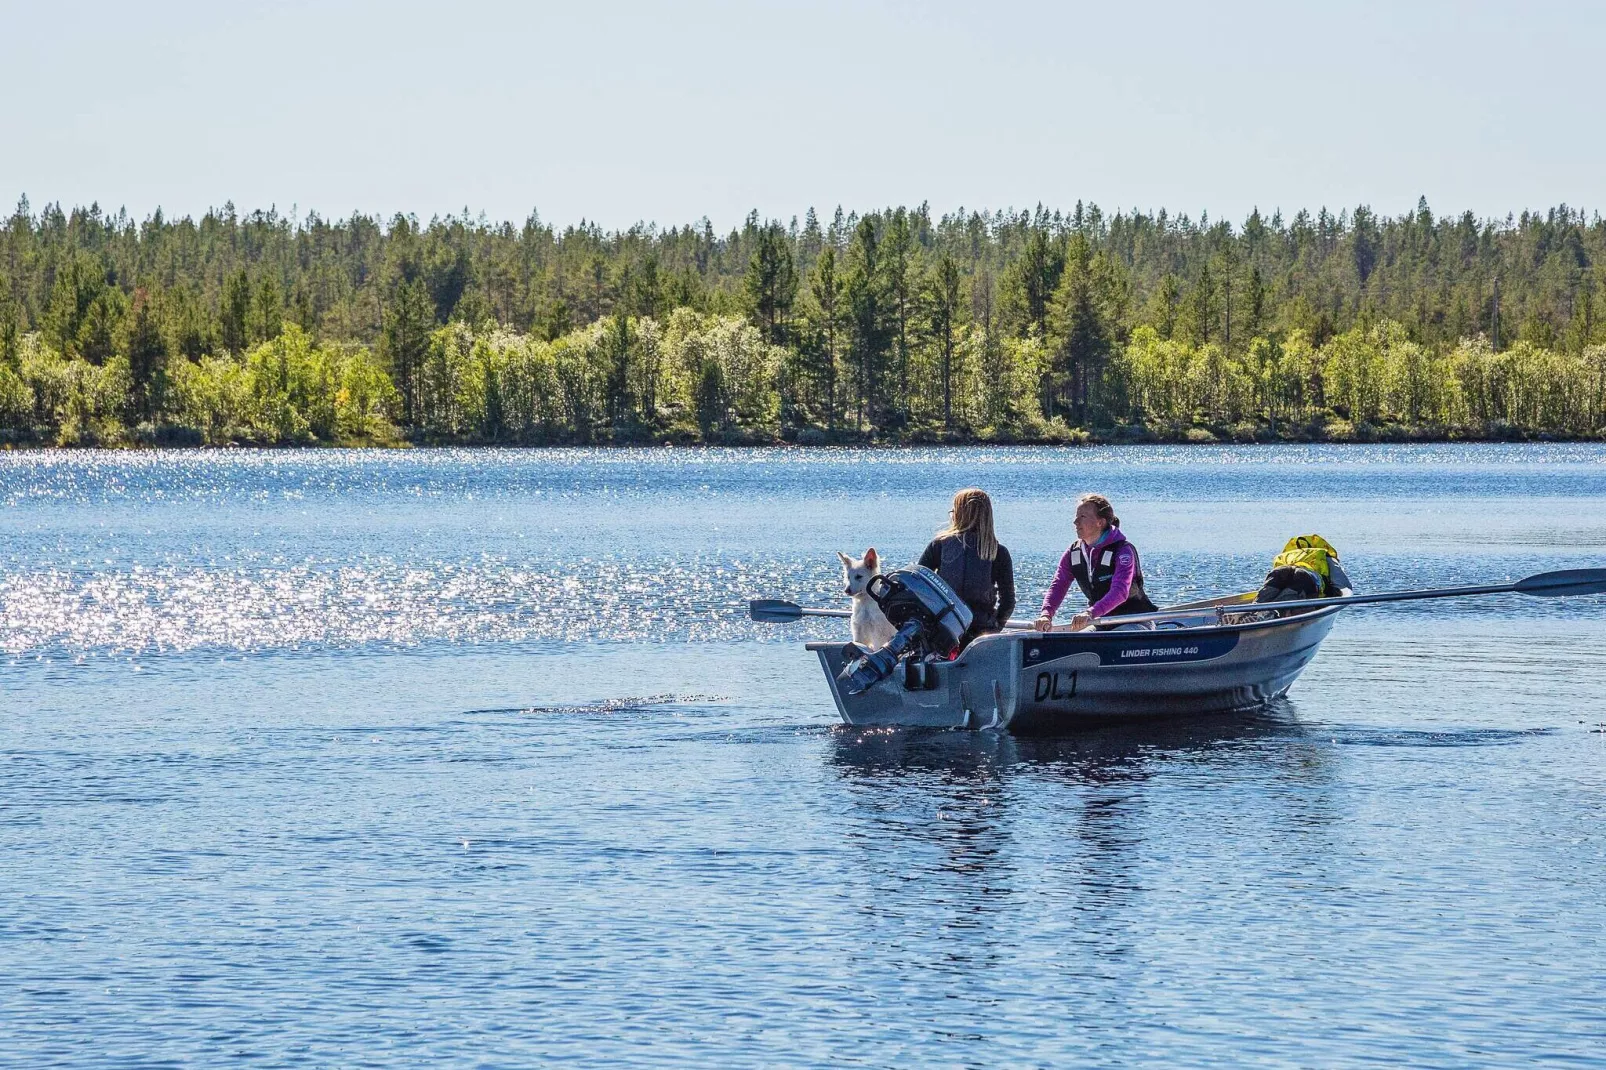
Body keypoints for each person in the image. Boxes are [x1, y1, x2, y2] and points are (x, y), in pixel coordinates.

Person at [1034, 493, 1158, 632]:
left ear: (1100, 522)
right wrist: (1046, 614)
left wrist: (1090, 613)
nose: (1075, 522)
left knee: (1112, 643)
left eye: (1082, 517)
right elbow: (1058, 585)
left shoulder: (1123, 551)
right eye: (1076, 516)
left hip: (1134, 621)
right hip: (1102, 622)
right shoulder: (1074, 552)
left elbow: (1120, 592)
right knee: (1078, 642)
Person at [917, 488, 1016, 647]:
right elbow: (1008, 602)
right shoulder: (998, 552)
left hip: (943, 630)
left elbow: (918, 585)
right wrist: (996, 627)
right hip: (982, 634)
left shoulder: (939, 546)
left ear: (959, 515)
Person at [1255, 534, 1352, 603]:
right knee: (1288, 597)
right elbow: (1343, 586)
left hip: (1279, 571)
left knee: (1265, 596)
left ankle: (1254, 611)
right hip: (1305, 576)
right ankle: (1273, 612)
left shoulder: (1288, 555)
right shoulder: (1324, 556)